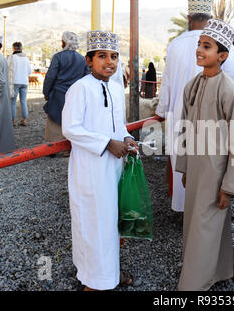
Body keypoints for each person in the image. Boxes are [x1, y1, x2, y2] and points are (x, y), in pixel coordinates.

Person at [62, 30, 138, 291]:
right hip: (90, 170)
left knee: (110, 224)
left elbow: (119, 125)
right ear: (89, 60)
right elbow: (70, 128)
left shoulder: (116, 88)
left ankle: (110, 275)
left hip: (113, 169)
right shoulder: (80, 88)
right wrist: (106, 144)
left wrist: (127, 138)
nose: (110, 62)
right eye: (102, 56)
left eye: (114, 56)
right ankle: (93, 282)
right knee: (93, 223)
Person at [175, 19, 234, 291]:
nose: (199, 51)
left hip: (216, 172)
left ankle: (194, 285)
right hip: (195, 169)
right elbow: (183, 127)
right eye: (199, 45)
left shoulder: (229, 90)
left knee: (205, 227)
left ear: (222, 55)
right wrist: (183, 167)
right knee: (200, 223)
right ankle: (220, 269)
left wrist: (229, 185)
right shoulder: (192, 86)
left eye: (207, 46)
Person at [155, 0, 213, 212]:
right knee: (206, 163)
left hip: (179, 115)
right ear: (211, 18)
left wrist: (161, 111)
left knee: (181, 164)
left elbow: (167, 85)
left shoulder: (175, 45)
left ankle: (183, 211)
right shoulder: (217, 45)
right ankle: (202, 212)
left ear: (189, 18)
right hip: (209, 116)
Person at [43, 31, 90, 152]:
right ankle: (68, 148)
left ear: (64, 42)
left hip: (58, 95)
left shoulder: (58, 57)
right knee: (72, 120)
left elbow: (50, 77)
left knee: (54, 122)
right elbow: (87, 77)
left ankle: (53, 148)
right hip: (75, 96)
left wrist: (46, 93)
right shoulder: (82, 59)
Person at [0, 32, 16, 154]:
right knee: (2, 124)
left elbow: (0, 80)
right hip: (3, 97)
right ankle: (4, 148)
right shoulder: (1, 58)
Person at [8, 42, 31, 127]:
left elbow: (7, 69)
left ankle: (12, 121)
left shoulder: (12, 57)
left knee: (13, 102)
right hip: (24, 82)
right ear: (21, 48)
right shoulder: (26, 58)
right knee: (23, 101)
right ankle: (24, 120)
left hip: (14, 82)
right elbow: (29, 71)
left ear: (13, 48)